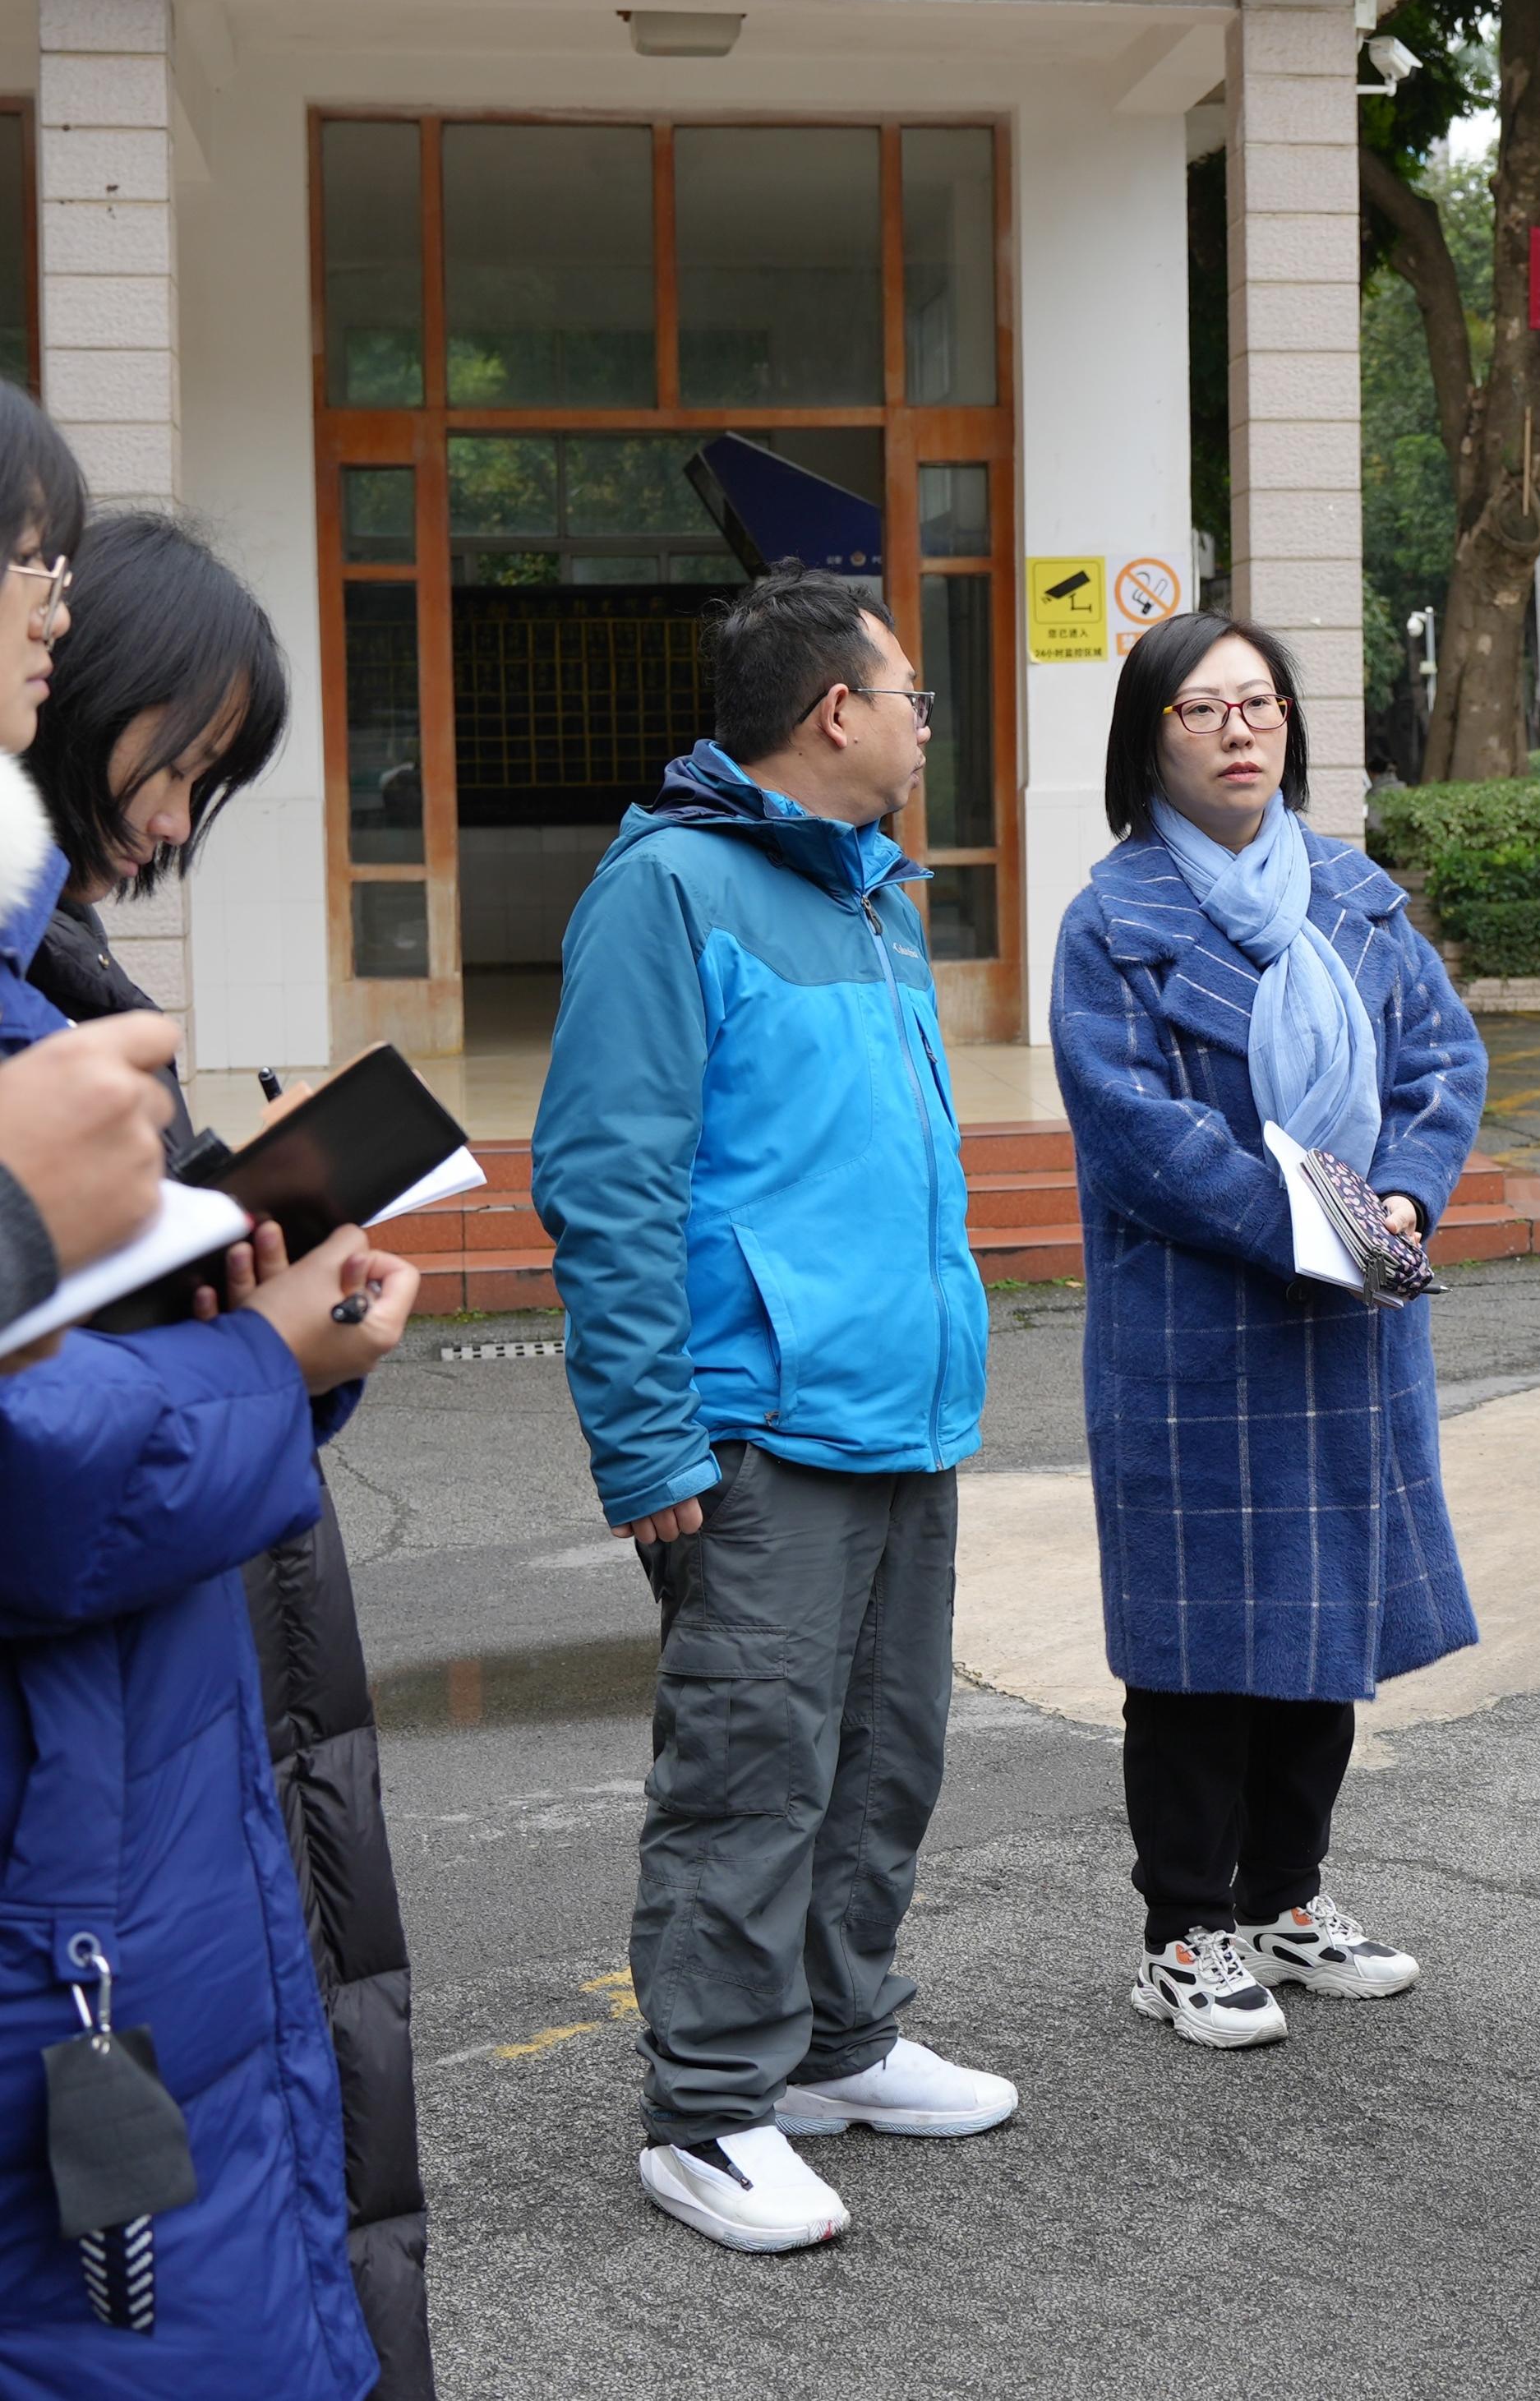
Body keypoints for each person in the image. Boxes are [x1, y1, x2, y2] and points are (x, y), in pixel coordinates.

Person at [0, 380, 422, 2395]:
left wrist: (267, 1318)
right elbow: (42, 1479)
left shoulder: (62, 987)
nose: (175, 821)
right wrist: (269, 1352)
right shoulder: (39, 1022)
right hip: (81, 1881)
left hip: (153, 1796)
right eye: (29, 563)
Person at [533, 567, 1008, 2257]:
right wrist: (646, 1436)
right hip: (756, 1423)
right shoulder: (669, 887)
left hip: (896, 1407)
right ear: (835, 710)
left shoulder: (872, 890)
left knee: (883, 1753)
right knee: (750, 1766)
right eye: (911, 694)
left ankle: (836, 2041)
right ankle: (710, 2109)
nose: (925, 723)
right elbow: (609, 1176)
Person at [1049, 612, 1487, 2049]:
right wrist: (1324, 1225)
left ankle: (1285, 1896)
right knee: (1197, 1647)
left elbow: (1442, 1062)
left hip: (1349, 1324)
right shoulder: (1111, 921)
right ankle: (1182, 1928)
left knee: (1322, 1621)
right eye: (1202, 707)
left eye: (1260, 703)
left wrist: (1402, 1198)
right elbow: (1138, 1136)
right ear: (1149, 739)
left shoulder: (1356, 895)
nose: (1239, 729)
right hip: (1200, 1328)